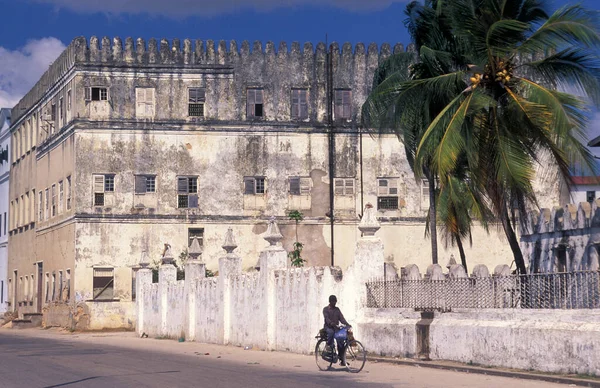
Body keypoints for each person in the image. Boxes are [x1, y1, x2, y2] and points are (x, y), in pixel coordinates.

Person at [323, 295, 351, 366]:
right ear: (330, 302)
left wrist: (347, 324)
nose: (334, 303)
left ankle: (342, 360)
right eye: (333, 301)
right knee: (331, 333)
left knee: (341, 342)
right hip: (328, 327)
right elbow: (326, 318)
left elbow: (341, 318)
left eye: (335, 301)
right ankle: (328, 346)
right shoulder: (325, 309)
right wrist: (331, 323)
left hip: (336, 328)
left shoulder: (337, 309)